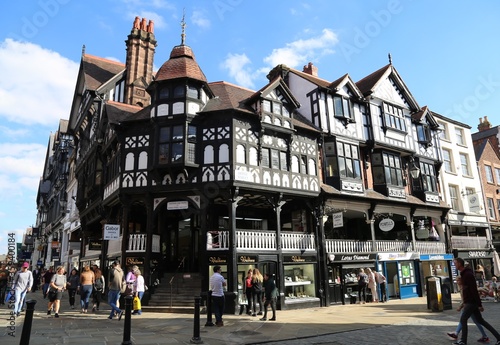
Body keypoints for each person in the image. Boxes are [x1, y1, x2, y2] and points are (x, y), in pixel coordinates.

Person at [453, 257, 500, 345]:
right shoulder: (464, 274)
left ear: (459, 263)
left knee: (463, 319)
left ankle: (463, 341)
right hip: (471, 302)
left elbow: (473, 290)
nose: (454, 265)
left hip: (471, 302)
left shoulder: (467, 274)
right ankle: (498, 337)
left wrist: (479, 304)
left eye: (455, 263)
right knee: (481, 321)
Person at [447, 276, 490, 343]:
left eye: (458, 280)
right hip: (468, 306)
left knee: (470, 320)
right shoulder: (462, 288)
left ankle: (457, 334)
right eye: (457, 280)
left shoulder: (465, 287)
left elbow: (474, 293)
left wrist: (460, 306)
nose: (457, 282)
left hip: (469, 306)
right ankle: (484, 336)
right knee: (473, 321)